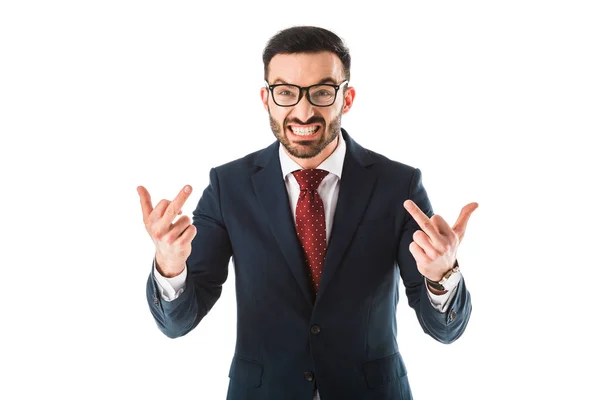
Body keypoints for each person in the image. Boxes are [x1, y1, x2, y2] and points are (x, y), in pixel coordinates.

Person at [137, 25, 477, 400]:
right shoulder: (228, 186)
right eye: (285, 92)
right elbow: (178, 323)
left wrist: (442, 274)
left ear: (346, 99)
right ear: (266, 99)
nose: (302, 110)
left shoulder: (398, 185)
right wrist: (170, 267)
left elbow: (445, 330)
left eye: (321, 92)